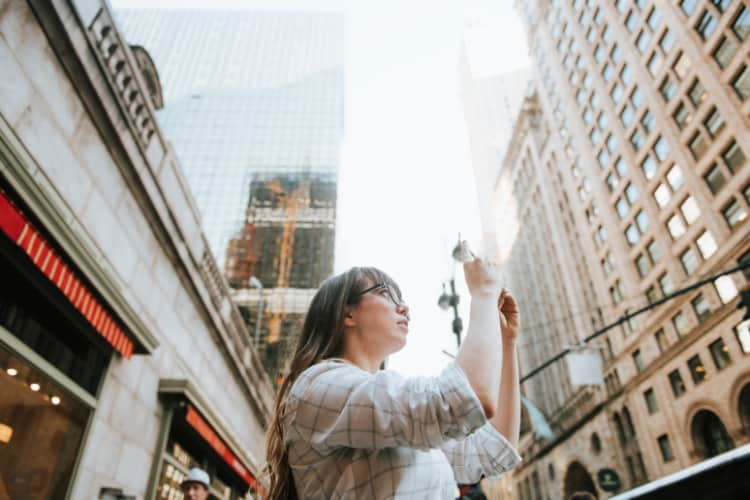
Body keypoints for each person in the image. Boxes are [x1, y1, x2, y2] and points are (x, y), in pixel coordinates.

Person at [265, 244, 522, 499]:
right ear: (347, 313)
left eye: (401, 299)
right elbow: (464, 401)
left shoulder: (394, 413)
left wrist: (506, 341)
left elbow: (491, 450)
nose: (404, 308)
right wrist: (484, 293)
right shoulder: (318, 385)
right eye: (385, 293)